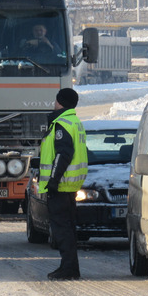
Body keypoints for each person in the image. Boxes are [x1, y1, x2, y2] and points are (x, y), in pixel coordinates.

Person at [38, 88, 88, 280]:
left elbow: (63, 155)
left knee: (62, 229)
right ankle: (69, 266)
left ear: (60, 102)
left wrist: (53, 180)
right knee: (68, 228)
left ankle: (69, 269)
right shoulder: (75, 122)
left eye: (56, 100)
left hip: (60, 185)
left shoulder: (62, 124)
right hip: (70, 186)